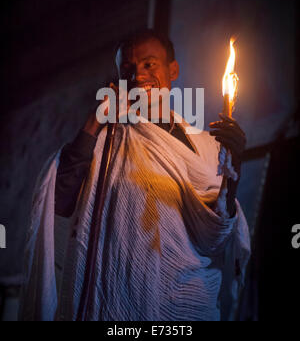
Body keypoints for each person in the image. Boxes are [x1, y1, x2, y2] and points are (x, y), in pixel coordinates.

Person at [19, 28, 250, 321]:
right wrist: (94, 122)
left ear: (173, 70)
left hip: (188, 304)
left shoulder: (205, 146)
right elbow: (61, 201)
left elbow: (217, 234)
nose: (138, 76)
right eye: (128, 69)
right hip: (114, 302)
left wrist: (235, 164)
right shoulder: (109, 138)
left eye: (149, 64)